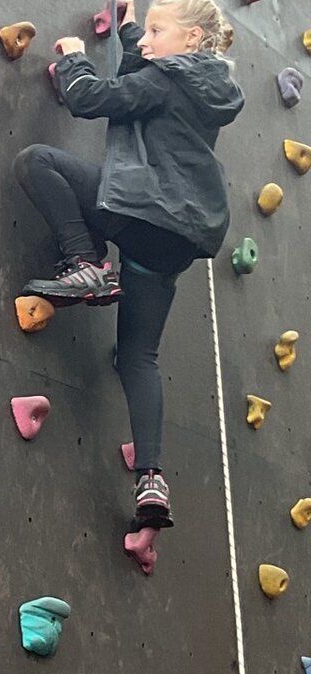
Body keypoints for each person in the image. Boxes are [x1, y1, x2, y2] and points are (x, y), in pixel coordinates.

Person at [14, 0, 242, 529]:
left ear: (189, 40)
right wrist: (133, 28)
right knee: (138, 357)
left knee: (37, 162)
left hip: (142, 212)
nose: (146, 43)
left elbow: (92, 98)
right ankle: (152, 479)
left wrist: (74, 57)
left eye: (159, 32)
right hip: (174, 242)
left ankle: (84, 262)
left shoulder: (167, 78)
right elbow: (147, 71)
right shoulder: (206, 87)